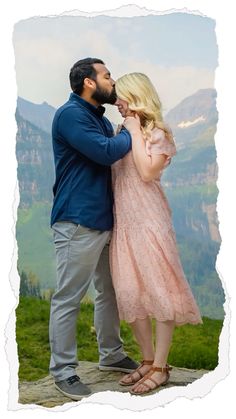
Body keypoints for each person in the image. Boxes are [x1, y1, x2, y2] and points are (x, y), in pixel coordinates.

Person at [49, 58, 139, 401]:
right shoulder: (71, 115)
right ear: (89, 82)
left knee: (110, 292)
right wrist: (130, 128)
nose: (112, 81)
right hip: (77, 220)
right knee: (69, 297)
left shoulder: (96, 118)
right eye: (107, 76)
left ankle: (111, 354)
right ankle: (63, 371)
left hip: (103, 219)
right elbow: (105, 154)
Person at [109, 72, 203, 395]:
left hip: (151, 223)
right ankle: (147, 360)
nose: (117, 103)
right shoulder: (123, 130)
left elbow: (148, 172)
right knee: (131, 292)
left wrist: (135, 132)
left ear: (136, 97)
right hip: (125, 224)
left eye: (121, 97)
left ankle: (162, 366)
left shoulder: (158, 133)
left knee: (161, 292)